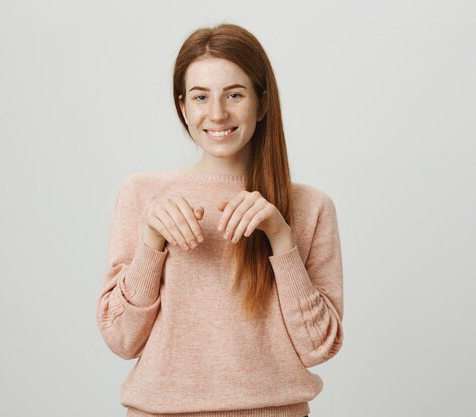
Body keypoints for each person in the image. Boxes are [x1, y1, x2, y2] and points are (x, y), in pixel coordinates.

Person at [96, 22, 343, 417]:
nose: (217, 113)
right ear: (182, 106)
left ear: (262, 103)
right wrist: (150, 243)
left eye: (234, 94)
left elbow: (319, 346)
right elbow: (121, 338)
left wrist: (281, 239)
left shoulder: (311, 206)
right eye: (200, 96)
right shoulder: (143, 194)